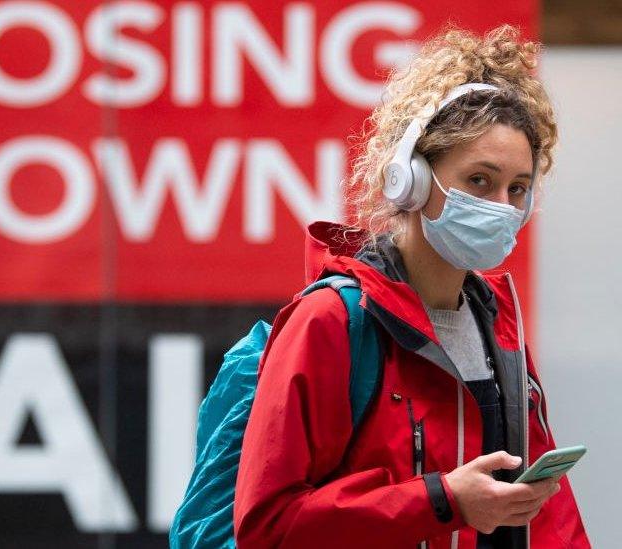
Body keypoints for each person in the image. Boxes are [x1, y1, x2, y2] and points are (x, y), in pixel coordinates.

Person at [232, 25, 590, 548]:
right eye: (479, 180)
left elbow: (552, 525)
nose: (501, 207)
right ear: (411, 178)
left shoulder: (499, 330)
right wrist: (442, 501)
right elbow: (268, 528)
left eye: (517, 189)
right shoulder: (331, 321)